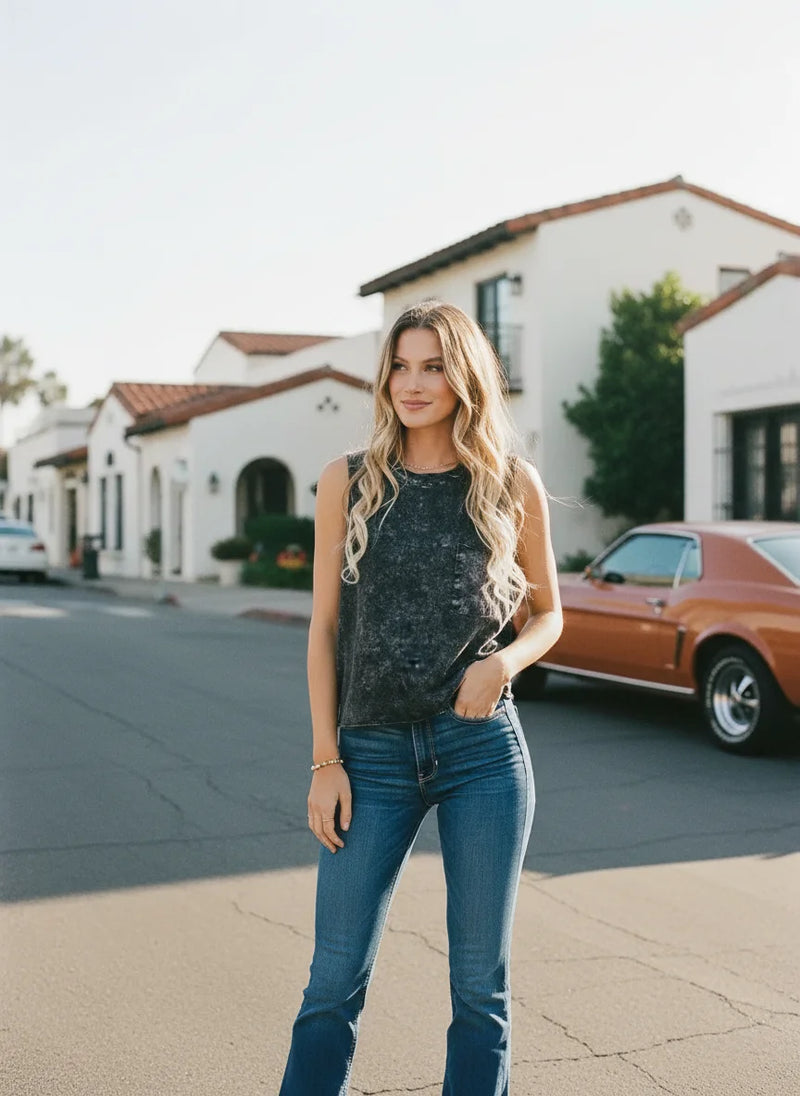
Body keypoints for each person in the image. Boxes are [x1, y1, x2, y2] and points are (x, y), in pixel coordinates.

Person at [279, 299, 562, 1095]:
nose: (413, 382)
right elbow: (324, 628)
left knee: (480, 992)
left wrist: (503, 664)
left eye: (433, 365)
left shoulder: (509, 482)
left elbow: (550, 615)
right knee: (332, 980)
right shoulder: (350, 480)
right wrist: (324, 758)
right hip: (368, 755)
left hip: (482, 753)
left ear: (463, 374)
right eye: (400, 365)